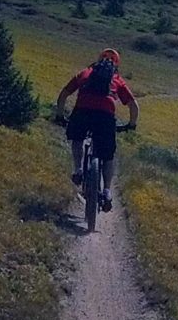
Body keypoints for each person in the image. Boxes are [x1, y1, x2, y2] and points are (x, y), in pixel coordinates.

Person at [55, 48, 138, 210]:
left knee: (77, 138)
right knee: (107, 155)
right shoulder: (117, 79)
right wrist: (131, 124)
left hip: (83, 111)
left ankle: (78, 169)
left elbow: (64, 93)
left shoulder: (86, 73)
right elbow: (133, 105)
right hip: (105, 116)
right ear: (116, 64)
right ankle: (107, 191)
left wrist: (59, 114)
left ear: (99, 59)